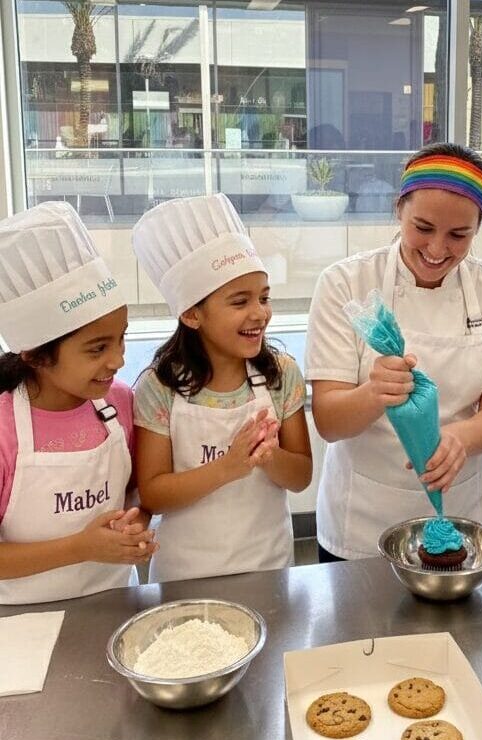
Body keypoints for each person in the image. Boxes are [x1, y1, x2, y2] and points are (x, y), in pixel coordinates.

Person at [306, 142, 482, 561]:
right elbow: (330, 422)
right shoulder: (345, 283)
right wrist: (374, 393)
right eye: (422, 228)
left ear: (478, 227)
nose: (437, 249)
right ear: (398, 210)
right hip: (362, 522)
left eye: (459, 235)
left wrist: (458, 439)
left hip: (460, 512)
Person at [132, 193, 312, 582]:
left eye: (264, 298)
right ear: (192, 313)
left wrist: (269, 457)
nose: (259, 313)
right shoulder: (159, 387)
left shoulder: (281, 375)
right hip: (185, 574)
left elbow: (300, 477)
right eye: (239, 301)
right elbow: (153, 494)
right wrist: (229, 466)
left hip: (268, 566)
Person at [0, 202, 155, 604]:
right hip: (20, 621)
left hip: (114, 601)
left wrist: (134, 529)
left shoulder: (117, 402)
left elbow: (135, 497)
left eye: (121, 338)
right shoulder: (4, 429)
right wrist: (81, 548)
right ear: (34, 355)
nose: (118, 360)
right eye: (97, 348)